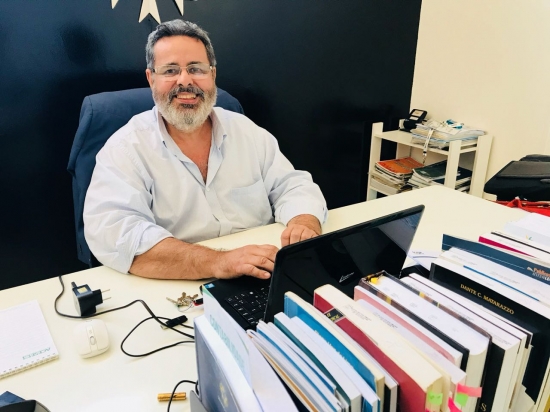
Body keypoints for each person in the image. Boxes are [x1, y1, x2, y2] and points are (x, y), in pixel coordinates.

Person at [84, 19, 327, 281]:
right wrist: (218, 262)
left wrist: (303, 221)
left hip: (266, 271)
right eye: (170, 70)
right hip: (179, 287)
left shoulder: (246, 131)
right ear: (151, 78)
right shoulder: (125, 149)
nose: (184, 81)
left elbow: (292, 185)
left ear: (212, 75)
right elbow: (118, 234)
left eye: (196, 69)